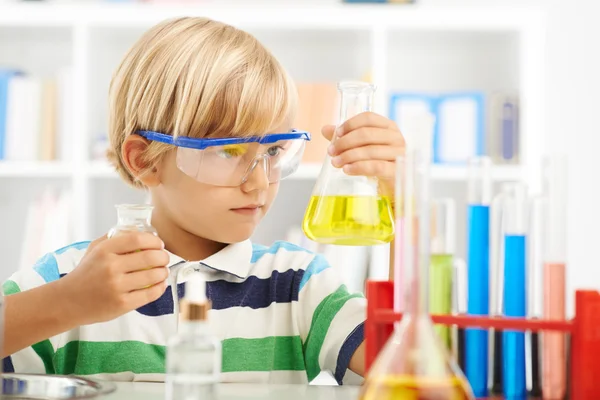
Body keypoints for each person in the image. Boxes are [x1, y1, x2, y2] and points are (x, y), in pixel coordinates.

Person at [2, 17, 404, 384]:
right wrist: (65, 303)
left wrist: (404, 198)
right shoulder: (69, 279)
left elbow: (416, 367)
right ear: (144, 160)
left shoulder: (297, 284)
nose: (260, 183)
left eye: (275, 151)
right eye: (229, 152)